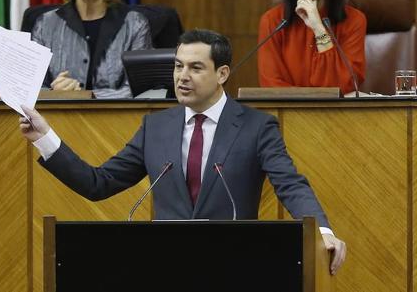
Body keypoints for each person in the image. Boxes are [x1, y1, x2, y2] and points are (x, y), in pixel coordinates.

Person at [19, 29, 347, 275]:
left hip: (237, 267)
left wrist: (322, 232)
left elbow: (291, 185)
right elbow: (98, 183)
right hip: (165, 269)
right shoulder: (155, 128)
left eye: (195, 68)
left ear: (222, 74)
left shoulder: (257, 127)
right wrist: (44, 136)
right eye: (178, 67)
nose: (182, 77)